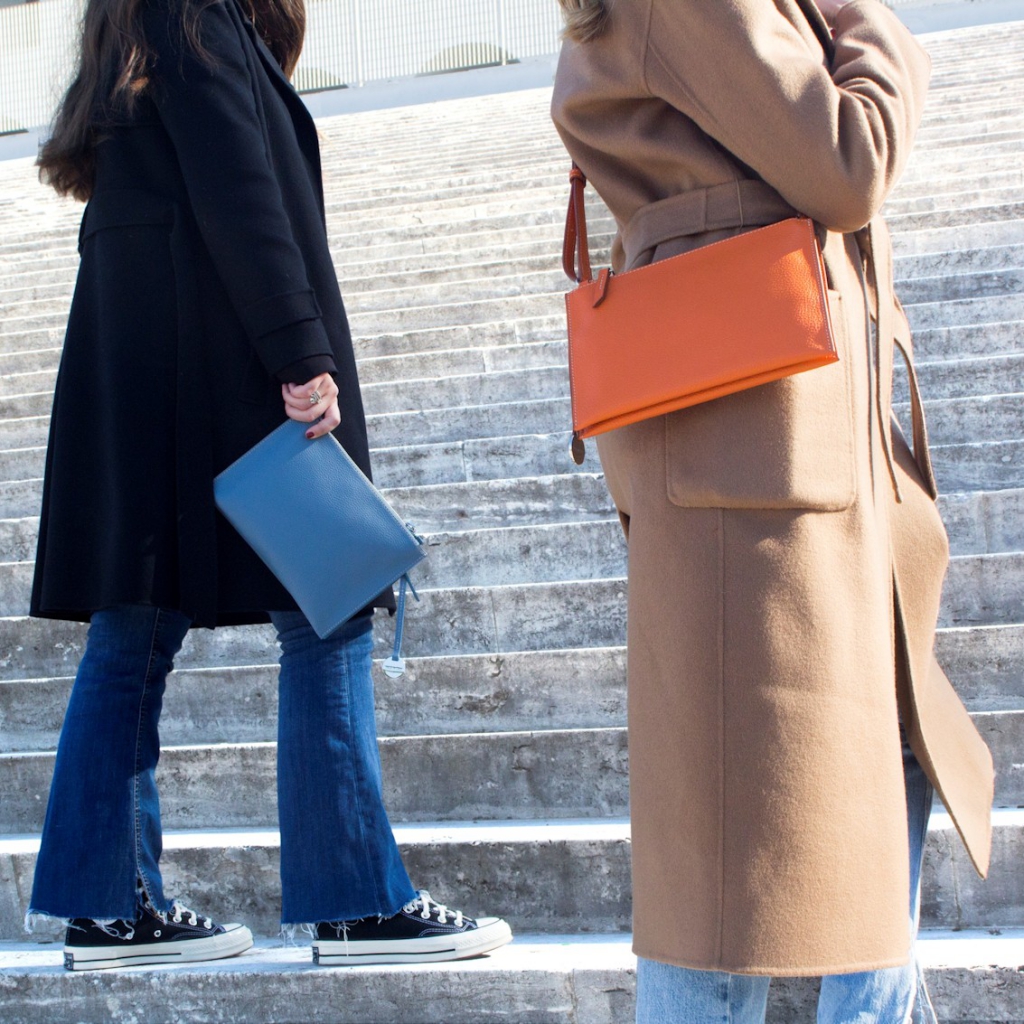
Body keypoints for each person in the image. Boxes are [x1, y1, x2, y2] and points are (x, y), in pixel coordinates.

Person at [27, 0, 512, 971]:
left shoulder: (148, 19)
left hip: (160, 359)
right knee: (321, 600)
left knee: (141, 619)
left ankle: (110, 902)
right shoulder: (187, 10)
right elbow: (239, 181)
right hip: (214, 356)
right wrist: (298, 348)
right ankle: (355, 902)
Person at [550, 0, 994, 1020]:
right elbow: (849, 160)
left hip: (765, 449)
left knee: (832, 818)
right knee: (728, 889)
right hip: (758, 467)